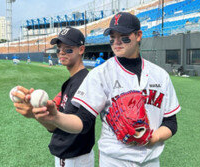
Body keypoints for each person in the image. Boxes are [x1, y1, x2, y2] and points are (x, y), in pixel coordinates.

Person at [32, 12, 181, 167]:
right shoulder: (100, 74)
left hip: (151, 161)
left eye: (123, 36)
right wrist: (56, 117)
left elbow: (171, 122)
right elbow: (83, 121)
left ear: (138, 35)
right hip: (114, 161)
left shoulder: (160, 75)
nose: (117, 42)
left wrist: (153, 138)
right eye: (112, 37)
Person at [11, 27, 95, 167]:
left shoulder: (84, 81)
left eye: (68, 49)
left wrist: (47, 116)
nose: (61, 52)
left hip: (75, 159)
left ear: (81, 50)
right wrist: (37, 114)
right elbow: (56, 126)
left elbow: (78, 126)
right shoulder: (73, 80)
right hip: (70, 158)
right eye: (59, 49)